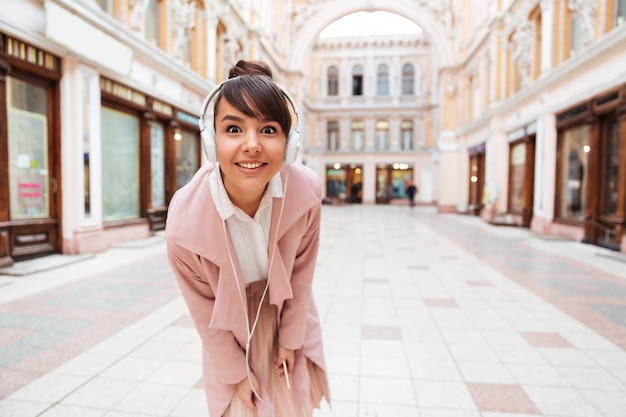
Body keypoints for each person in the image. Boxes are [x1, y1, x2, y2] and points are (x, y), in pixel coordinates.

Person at [166, 60, 330, 417]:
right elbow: (204, 312)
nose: (252, 145)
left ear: (290, 143)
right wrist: (237, 374)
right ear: (211, 140)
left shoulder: (305, 193)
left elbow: (302, 277)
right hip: (230, 329)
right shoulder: (185, 223)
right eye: (234, 129)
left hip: (289, 314)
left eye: (269, 130)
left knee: (293, 405)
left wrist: (290, 341)